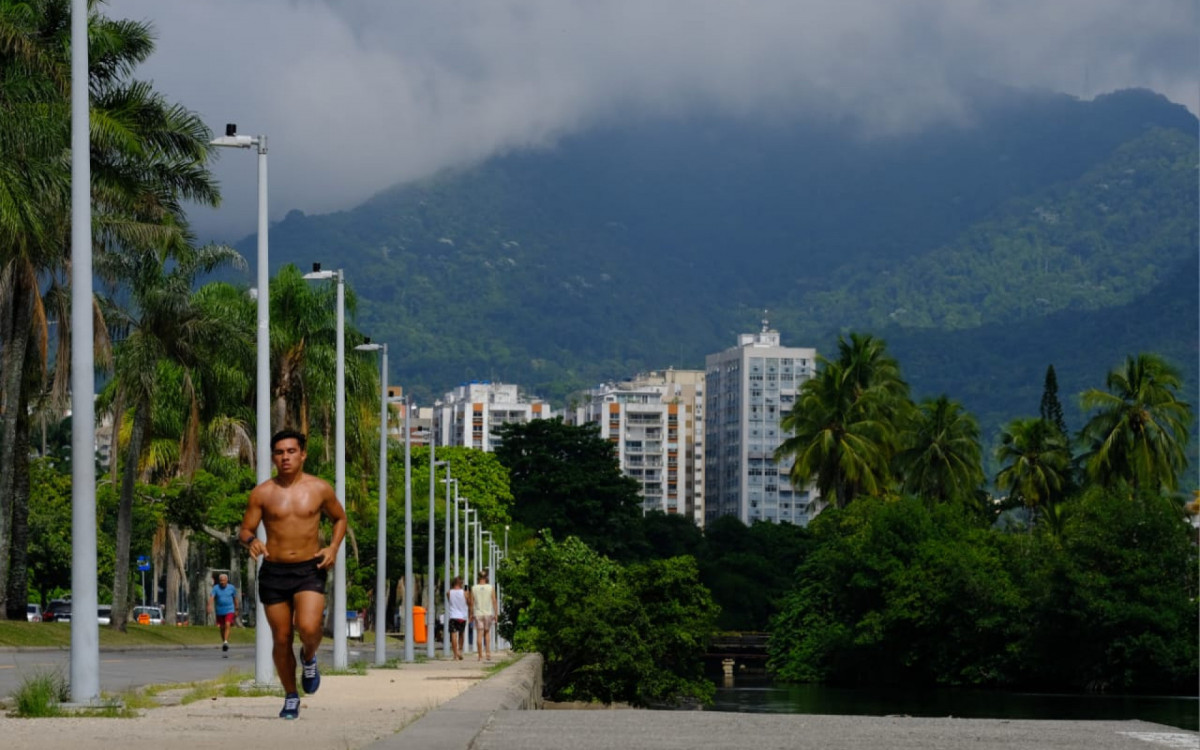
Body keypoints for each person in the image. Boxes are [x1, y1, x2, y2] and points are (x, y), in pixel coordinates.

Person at [238, 429, 347, 720]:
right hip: (274, 571)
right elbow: (245, 529)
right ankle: (290, 695)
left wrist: (333, 548)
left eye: (290, 451)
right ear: (273, 457)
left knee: (310, 628)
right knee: (282, 638)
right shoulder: (262, 493)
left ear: (302, 454)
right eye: (279, 452)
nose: (285, 457)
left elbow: (340, 518)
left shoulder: (319, 488)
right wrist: (252, 542)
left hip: (309, 568)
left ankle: (309, 657)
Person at [467, 569, 497, 662]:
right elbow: (494, 601)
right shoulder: (491, 587)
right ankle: (488, 653)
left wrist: (470, 614)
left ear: (478, 577)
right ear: (486, 577)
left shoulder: (473, 588)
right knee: (487, 633)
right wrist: (496, 613)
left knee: (479, 634)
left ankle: (480, 655)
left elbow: (471, 602)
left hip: (478, 613)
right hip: (488, 613)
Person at [208, 573, 240, 656]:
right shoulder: (215, 588)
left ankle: (225, 641)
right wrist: (209, 606)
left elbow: (235, 598)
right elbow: (212, 598)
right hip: (220, 611)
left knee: (227, 624)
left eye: (223, 581)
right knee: (222, 627)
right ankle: (224, 642)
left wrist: (236, 608)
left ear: (227, 580)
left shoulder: (231, 588)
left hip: (230, 609)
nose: (222, 582)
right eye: (221, 581)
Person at [445, 576, 469, 660]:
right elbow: (469, 603)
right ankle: (460, 650)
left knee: (453, 635)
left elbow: (450, 601)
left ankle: (455, 654)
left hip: (453, 616)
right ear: (461, 584)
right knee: (461, 634)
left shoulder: (449, 593)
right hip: (462, 617)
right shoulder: (465, 593)